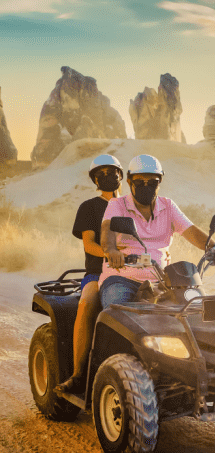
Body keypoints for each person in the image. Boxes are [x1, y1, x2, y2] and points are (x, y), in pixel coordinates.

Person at [99, 154, 215, 308]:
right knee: (118, 312)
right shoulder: (117, 204)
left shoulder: (168, 206)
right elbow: (107, 229)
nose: (146, 186)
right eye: (139, 182)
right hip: (122, 279)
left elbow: (191, 231)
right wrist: (111, 250)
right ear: (129, 180)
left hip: (162, 281)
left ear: (160, 181)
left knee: (194, 310)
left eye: (152, 182)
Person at [55, 154, 123, 395]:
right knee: (87, 303)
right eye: (101, 174)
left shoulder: (131, 206)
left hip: (134, 272)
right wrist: (109, 255)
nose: (108, 177)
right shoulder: (89, 207)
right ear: (95, 179)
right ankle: (78, 374)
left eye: (112, 173)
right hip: (98, 272)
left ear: (121, 176)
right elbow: (88, 244)